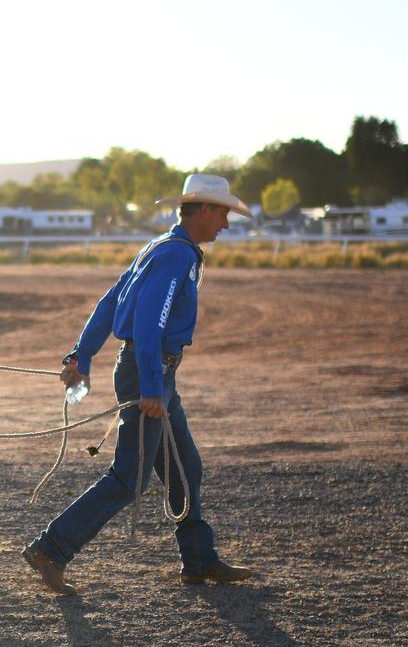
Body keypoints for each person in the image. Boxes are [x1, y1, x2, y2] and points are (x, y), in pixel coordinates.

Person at [23, 173, 253, 595]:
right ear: (203, 210)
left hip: (154, 373)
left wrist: (82, 354)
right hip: (151, 373)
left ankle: (199, 560)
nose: (226, 223)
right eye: (222, 214)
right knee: (130, 476)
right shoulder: (177, 255)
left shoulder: (160, 247)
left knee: (185, 468)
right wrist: (150, 386)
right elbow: (149, 322)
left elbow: (111, 301)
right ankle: (51, 549)